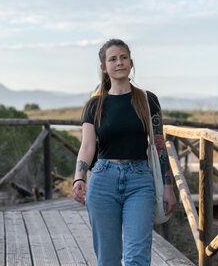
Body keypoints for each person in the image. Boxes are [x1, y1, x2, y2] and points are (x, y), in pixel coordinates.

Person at [72, 39, 177, 266]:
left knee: (137, 258)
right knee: (107, 259)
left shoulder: (148, 100)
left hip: (140, 181)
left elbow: (159, 143)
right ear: (104, 67)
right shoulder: (94, 105)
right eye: (112, 59)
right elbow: (88, 146)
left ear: (130, 62)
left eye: (123, 57)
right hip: (102, 180)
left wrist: (168, 186)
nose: (119, 62)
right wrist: (78, 177)